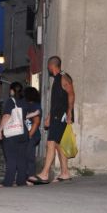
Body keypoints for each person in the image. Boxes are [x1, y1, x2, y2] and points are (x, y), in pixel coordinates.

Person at [29, 56, 75, 184]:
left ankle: (44, 174)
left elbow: (71, 94)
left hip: (61, 116)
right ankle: (65, 173)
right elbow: (56, 101)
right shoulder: (57, 78)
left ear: (51, 66)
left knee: (51, 143)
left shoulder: (63, 77)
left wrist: (69, 111)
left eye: (48, 66)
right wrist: (49, 115)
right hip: (56, 115)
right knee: (59, 144)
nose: (48, 68)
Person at [0, 82, 29, 187]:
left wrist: (0, 129)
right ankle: (21, 181)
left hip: (12, 134)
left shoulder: (11, 101)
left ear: (12, 90)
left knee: (11, 158)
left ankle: (8, 182)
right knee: (21, 159)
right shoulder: (24, 102)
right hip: (23, 132)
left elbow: (6, 116)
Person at [24, 87, 42, 183]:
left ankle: (31, 176)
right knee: (26, 156)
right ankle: (26, 176)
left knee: (29, 156)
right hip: (28, 135)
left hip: (32, 135)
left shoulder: (35, 106)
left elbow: (36, 123)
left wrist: (29, 136)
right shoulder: (27, 105)